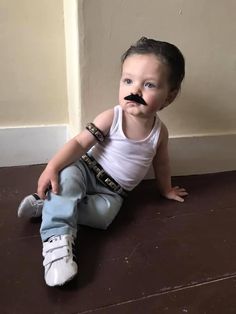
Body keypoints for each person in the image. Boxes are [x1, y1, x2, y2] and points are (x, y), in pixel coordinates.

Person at [18, 37, 188, 287]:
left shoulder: (159, 133)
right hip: (85, 169)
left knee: (104, 218)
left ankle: (48, 205)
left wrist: (166, 189)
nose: (135, 91)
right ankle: (56, 240)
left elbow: (161, 164)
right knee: (67, 184)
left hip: (113, 192)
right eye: (128, 81)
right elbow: (79, 144)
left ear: (169, 97)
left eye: (149, 84)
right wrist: (53, 166)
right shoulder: (113, 118)